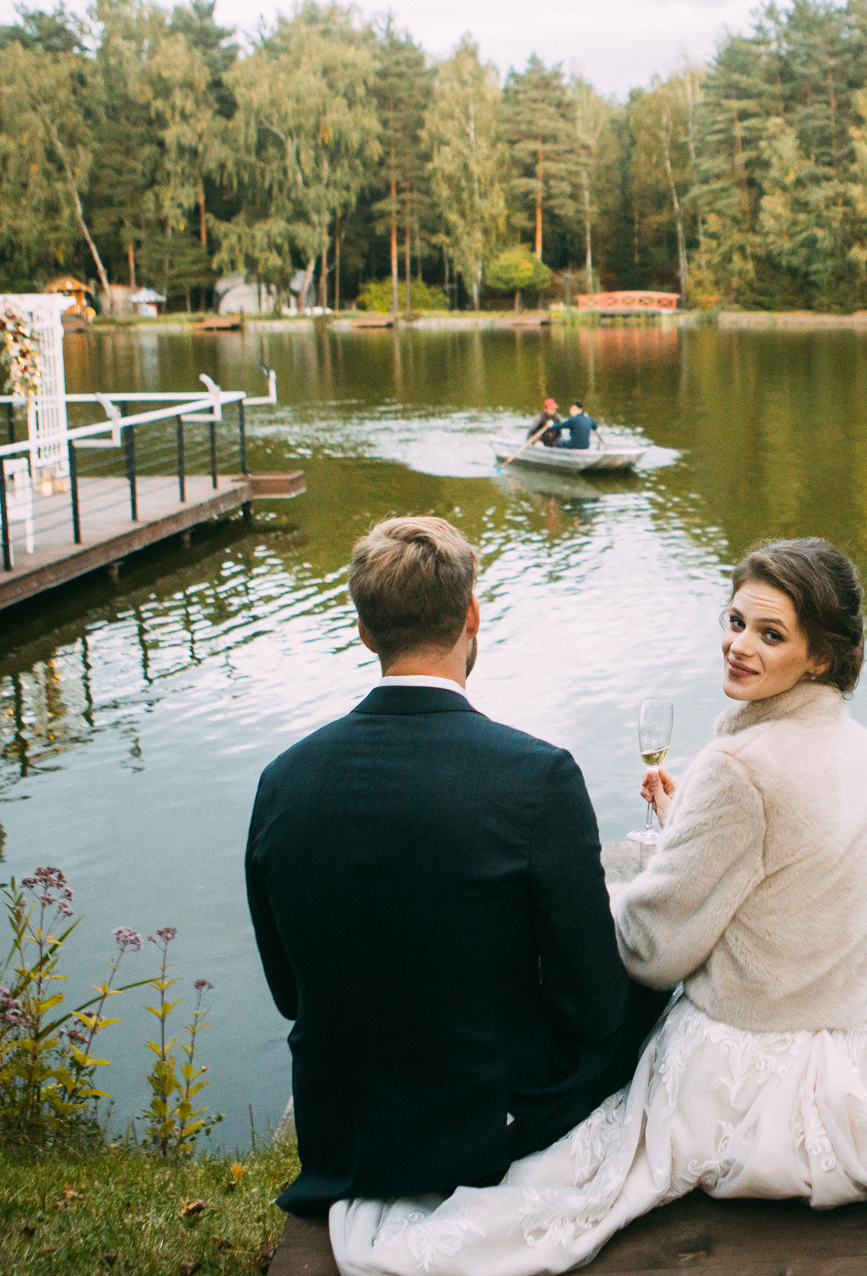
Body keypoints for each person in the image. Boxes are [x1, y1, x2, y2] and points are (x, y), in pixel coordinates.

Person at [331, 538, 867, 1276]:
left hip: (746, 1063)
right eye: (735, 621)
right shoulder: (861, 749)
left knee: (571, 1176)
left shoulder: (740, 768)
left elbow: (652, 950)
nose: (739, 646)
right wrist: (690, 831)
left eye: (771, 635)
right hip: (848, 1033)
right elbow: (786, 875)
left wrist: (589, 901)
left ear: (822, 656)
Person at [247, 517, 667, 1260]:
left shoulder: (283, 780)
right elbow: (593, 1008)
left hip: (344, 1126)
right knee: (652, 1002)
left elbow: (290, 992)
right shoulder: (537, 777)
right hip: (480, 1123)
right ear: (472, 614)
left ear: (363, 631)